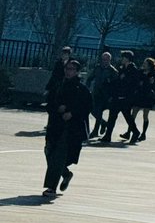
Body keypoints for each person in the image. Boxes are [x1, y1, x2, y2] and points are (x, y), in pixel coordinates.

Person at [42, 59, 91, 197]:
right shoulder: (58, 85)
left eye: (71, 69)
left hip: (70, 129)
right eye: (67, 68)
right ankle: (66, 173)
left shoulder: (81, 89)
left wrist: (71, 113)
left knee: (58, 156)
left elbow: (86, 107)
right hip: (55, 125)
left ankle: (51, 188)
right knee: (49, 151)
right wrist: (57, 108)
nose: (68, 71)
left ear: (77, 72)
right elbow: (49, 103)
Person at [100, 51, 141, 143]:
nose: (121, 59)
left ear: (127, 58)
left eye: (123, 57)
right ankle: (108, 135)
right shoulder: (121, 68)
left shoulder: (133, 70)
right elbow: (118, 82)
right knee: (112, 116)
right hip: (117, 97)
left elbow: (133, 85)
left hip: (126, 98)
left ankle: (135, 132)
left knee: (128, 117)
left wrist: (125, 80)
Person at [86, 52, 117, 139]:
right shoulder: (97, 68)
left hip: (106, 95)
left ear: (109, 60)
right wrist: (87, 88)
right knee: (93, 110)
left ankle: (95, 131)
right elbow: (90, 78)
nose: (104, 61)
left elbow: (115, 85)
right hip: (96, 93)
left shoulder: (113, 71)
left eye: (106, 60)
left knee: (99, 111)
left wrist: (112, 95)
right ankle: (103, 123)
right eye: (103, 59)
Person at [132, 57, 155, 143]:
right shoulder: (140, 72)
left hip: (147, 96)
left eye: (145, 64)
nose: (143, 65)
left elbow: (153, 85)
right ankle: (130, 131)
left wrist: (149, 82)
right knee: (133, 114)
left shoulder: (153, 74)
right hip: (139, 95)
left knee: (145, 115)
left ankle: (143, 133)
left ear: (149, 66)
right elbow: (137, 81)